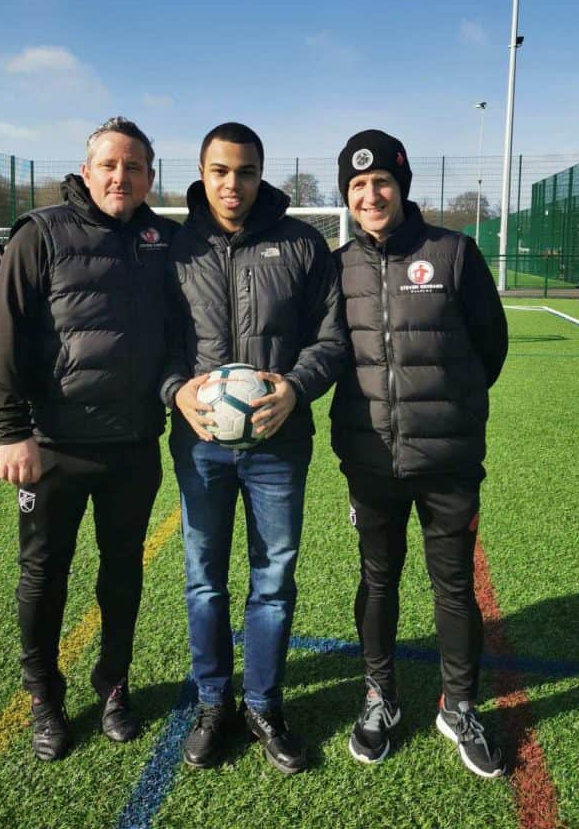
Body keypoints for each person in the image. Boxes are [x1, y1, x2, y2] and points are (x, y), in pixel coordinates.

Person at [0, 116, 178, 762]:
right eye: (110, 165)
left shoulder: (164, 240)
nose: (121, 177)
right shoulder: (41, 233)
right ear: (87, 170)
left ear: (151, 177)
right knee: (43, 578)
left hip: (134, 446)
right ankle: (45, 697)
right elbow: (4, 334)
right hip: (53, 447)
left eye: (135, 167)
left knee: (123, 575)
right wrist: (14, 431)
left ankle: (113, 685)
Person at [160, 122, 347, 774]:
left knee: (273, 578)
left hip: (279, 443)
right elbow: (154, 341)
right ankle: (215, 704)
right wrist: (176, 390)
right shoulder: (174, 247)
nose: (231, 184)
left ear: (260, 173)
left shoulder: (301, 243)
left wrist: (294, 389)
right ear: (202, 171)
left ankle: (264, 703)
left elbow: (333, 338)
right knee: (203, 579)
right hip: (201, 443)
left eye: (243, 172)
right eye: (219, 171)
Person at [330, 130, 509, 778]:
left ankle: (458, 706)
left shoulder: (453, 253)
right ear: (346, 197)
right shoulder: (339, 266)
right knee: (378, 581)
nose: (371, 194)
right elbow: (331, 357)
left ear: (401, 185)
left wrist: (448, 415)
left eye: (380, 181)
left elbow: (491, 345)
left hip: (448, 464)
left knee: (454, 587)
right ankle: (381, 697)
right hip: (372, 465)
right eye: (357, 186)